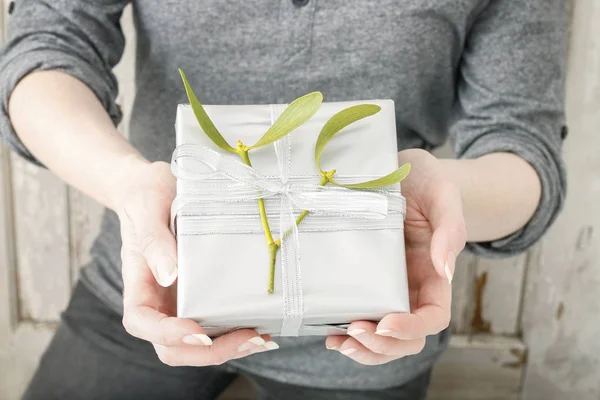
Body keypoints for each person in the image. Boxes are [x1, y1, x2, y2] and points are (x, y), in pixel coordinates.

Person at [0, 1, 567, 399]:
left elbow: (521, 147)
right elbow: (46, 46)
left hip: (372, 324)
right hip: (156, 282)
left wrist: (444, 198)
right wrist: (128, 186)